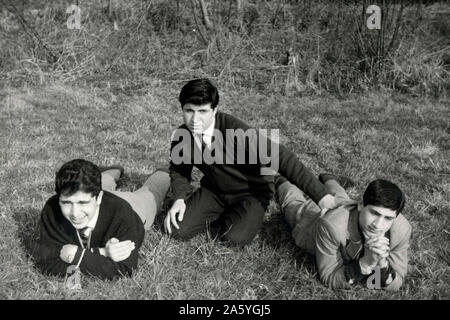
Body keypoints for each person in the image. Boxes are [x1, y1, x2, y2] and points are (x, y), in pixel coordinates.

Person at [164, 78, 338, 245]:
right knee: (177, 230)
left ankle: (277, 181)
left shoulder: (234, 129)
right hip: (214, 190)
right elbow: (179, 170)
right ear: (182, 109)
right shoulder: (182, 135)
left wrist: (321, 196)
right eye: (189, 111)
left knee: (234, 238)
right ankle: (223, 210)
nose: (195, 120)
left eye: (202, 111)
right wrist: (179, 198)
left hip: (250, 191)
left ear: (214, 110)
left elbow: (281, 156)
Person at [37, 159, 170, 280]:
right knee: (95, 188)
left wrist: (76, 255)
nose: (75, 213)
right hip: (100, 202)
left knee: (151, 194)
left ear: (98, 198)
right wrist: (103, 253)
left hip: (133, 206)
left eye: (83, 203)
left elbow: (124, 269)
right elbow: (46, 261)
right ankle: (111, 171)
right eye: (66, 203)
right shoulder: (52, 208)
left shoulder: (122, 214)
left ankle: (164, 173)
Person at [276, 173, 412, 290]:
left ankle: (328, 179)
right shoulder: (333, 226)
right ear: (361, 205)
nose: (378, 225)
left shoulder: (401, 230)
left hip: (347, 209)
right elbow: (329, 277)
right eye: (374, 213)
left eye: (388, 218)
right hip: (312, 222)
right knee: (294, 205)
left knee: (342, 198)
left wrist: (382, 265)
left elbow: (396, 283)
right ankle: (281, 180)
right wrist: (365, 264)